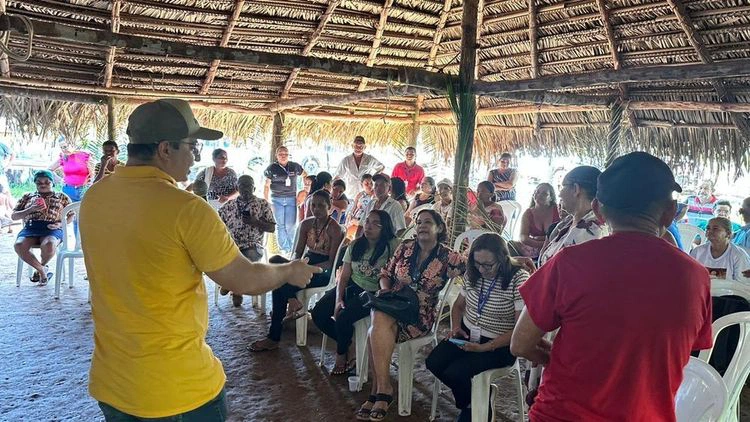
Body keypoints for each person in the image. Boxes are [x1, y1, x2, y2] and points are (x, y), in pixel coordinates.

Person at [79, 98, 320, 422]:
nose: (196, 155)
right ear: (165, 149)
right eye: (191, 146)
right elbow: (244, 279)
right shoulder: (187, 209)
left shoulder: (95, 197)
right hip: (177, 390)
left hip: (113, 383)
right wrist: (289, 270)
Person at [510, 152, 713, 421]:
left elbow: (521, 344)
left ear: (598, 209)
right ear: (669, 212)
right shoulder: (696, 277)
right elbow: (680, 349)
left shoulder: (569, 263)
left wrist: (556, 359)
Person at [357, 209, 465, 421]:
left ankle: (379, 390)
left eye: (427, 222)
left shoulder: (448, 256)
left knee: (376, 321)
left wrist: (514, 261)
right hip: (393, 303)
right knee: (379, 317)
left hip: (420, 314)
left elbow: (475, 268)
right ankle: (382, 390)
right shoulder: (405, 247)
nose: (422, 225)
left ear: (439, 228)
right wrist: (386, 288)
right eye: (419, 222)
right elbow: (385, 273)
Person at [426, 233, 529, 422]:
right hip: (468, 332)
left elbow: (519, 328)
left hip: (501, 343)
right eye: (477, 263)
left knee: (456, 372)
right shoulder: (472, 272)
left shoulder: (517, 278)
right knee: (434, 362)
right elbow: (458, 306)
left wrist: (485, 348)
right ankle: (473, 400)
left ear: (502, 259)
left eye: (488, 265)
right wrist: (456, 327)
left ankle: (473, 407)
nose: (482, 269)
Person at [249, 189, 345, 352]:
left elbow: (331, 262)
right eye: (313, 205)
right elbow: (297, 252)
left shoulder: (335, 229)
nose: (316, 209)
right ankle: (292, 301)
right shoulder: (307, 224)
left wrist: (305, 269)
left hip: (322, 271)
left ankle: (274, 335)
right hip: (305, 263)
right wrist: (294, 266)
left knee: (280, 283)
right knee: (276, 261)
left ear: (329, 207)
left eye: (321, 206)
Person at [311, 210, 398, 374]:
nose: (369, 226)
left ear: (384, 228)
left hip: (374, 293)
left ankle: (341, 353)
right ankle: (349, 343)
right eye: (367, 222)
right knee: (318, 313)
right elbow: (344, 277)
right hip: (352, 285)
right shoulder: (356, 245)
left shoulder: (391, 246)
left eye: (375, 223)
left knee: (344, 317)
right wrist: (338, 299)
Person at [218, 175, 276, 306]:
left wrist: (256, 222)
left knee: (243, 257)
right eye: (242, 185)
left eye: (248, 185)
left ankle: (233, 287)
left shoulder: (262, 204)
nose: (245, 188)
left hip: (253, 247)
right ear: (237, 187)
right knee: (223, 255)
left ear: (254, 188)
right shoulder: (229, 206)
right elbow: (216, 223)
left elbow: (272, 228)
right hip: (232, 246)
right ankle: (234, 286)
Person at [538, 166, 608, 266]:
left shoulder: (590, 232)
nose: (559, 194)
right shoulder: (569, 221)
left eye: (562, 187)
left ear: (576, 189)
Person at [12, 169, 72, 285]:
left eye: (47, 182)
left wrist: (60, 224)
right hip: (31, 228)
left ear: (52, 183)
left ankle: (41, 267)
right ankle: (42, 270)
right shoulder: (27, 196)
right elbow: (14, 216)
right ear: (35, 183)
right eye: (39, 182)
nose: (43, 184)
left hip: (52, 229)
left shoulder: (62, 197)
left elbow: (71, 216)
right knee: (19, 245)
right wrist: (30, 209)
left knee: (49, 244)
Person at [264, 146, 306, 254]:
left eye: (285, 154)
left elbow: (305, 175)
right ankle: (285, 250)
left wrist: (304, 190)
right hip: (276, 199)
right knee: (280, 225)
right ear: (276, 156)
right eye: (280, 154)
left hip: (291, 198)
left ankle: (292, 248)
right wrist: (266, 201)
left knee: (291, 225)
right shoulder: (271, 168)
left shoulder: (294, 166)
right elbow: (266, 186)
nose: (283, 156)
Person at [690, 217, 750, 281]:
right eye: (708, 228)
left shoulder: (739, 255)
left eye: (715, 229)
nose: (709, 231)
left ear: (728, 234)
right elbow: (691, 277)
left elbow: (743, 284)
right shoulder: (697, 252)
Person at [512, 183, 560, 258]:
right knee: (510, 245)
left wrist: (539, 239)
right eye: (537, 192)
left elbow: (562, 232)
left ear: (551, 198)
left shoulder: (558, 210)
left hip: (556, 246)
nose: (539, 195)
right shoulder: (528, 213)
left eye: (544, 193)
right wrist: (541, 243)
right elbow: (523, 237)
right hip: (535, 248)